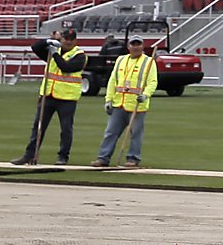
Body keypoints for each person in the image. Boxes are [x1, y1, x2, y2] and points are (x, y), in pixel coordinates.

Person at [12, 26, 87, 166]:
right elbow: (35, 47)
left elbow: (66, 68)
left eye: (71, 39)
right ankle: (30, 155)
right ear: (61, 38)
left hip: (67, 98)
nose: (68, 42)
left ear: (76, 41)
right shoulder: (54, 50)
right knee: (38, 127)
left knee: (66, 129)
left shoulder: (80, 55)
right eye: (65, 39)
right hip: (48, 95)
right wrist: (50, 41)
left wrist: (55, 54)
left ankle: (63, 157)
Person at [92, 36, 158, 168]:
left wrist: (145, 95)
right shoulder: (121, 60)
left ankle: (133, 159)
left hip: (136, 105)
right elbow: (113, 81)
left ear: (142, 46)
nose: (135, 47)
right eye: (133, 44)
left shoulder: (149, 62)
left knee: (135, 134)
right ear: (128, 46)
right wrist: (108, 99)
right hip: (119, 103)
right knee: (110, 132)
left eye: (138, 44)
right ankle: (103, 158)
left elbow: (152, 82)